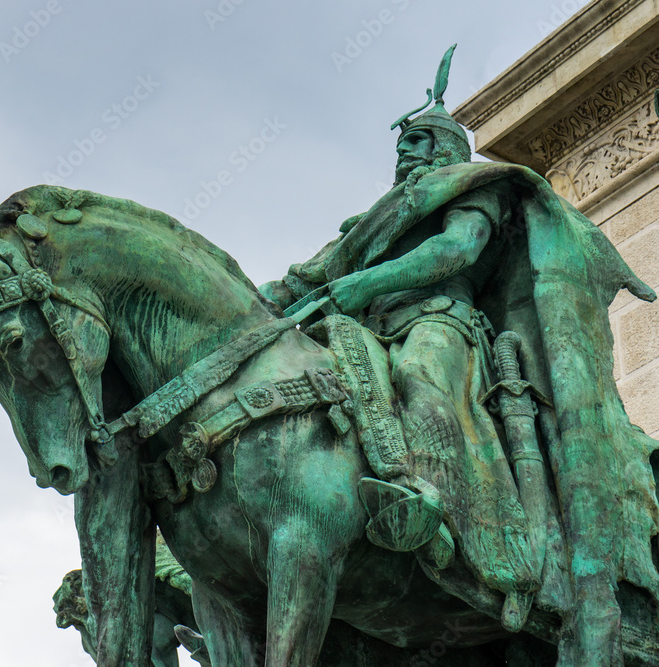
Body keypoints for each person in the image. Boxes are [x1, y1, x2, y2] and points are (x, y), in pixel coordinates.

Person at [261, 45, 659, 653]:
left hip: (441, 319)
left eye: (417, 141)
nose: (404, 150)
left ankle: (437, 514)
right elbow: (304, 278)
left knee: (422, 382)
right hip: (360, 327)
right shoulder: (373, 218)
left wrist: (369, 281)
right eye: (403, 142)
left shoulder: (474, 187)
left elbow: (457, 251)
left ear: (444, 150)